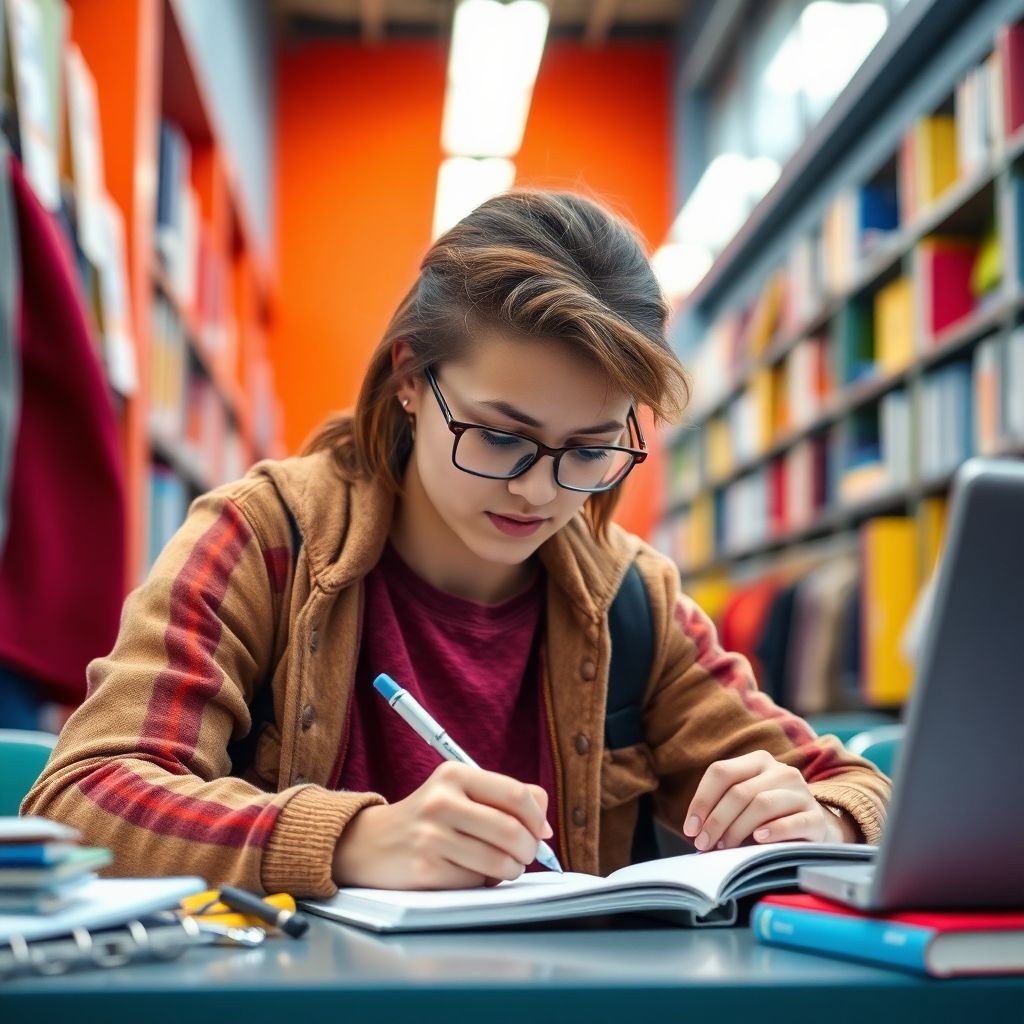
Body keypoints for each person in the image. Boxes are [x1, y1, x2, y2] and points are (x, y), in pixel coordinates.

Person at [23, 190, 889, 897]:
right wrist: (352, 840)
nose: (540, 490)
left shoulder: (633, 600)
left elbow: (866, 790)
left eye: (590, 449)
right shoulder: (262, 539)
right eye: (502, 436)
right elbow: (84, 799)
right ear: (410, 377)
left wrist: (821, 822)